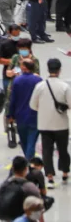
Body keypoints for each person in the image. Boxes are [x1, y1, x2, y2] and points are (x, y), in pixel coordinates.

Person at [29, 57, 70, 187]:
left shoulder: (40, 86)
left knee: (47, 151)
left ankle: (50, 177)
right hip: (61, 124)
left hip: (44, 124)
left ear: (48, 69)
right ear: (59, 70)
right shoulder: (65, 86)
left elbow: (33, 105)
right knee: (63, 149)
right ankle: (64, 173)